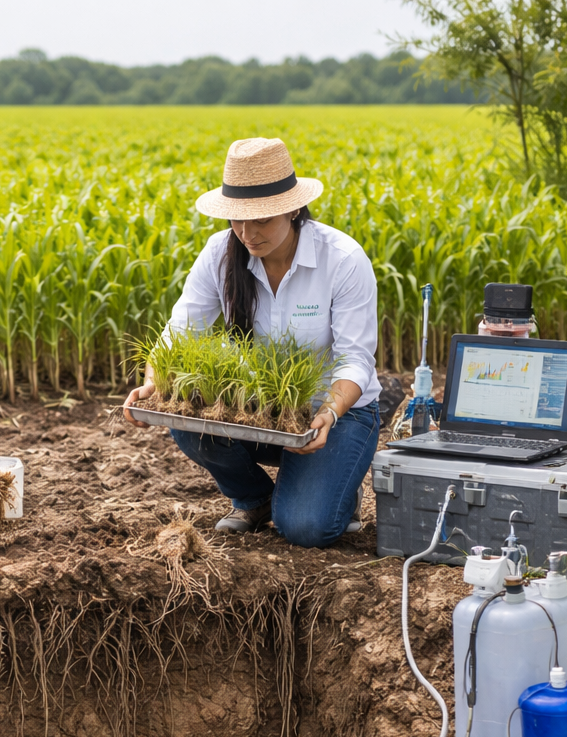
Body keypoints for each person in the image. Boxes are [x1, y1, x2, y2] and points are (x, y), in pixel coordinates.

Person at [122, 137, 382, 547]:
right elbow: (178, 332)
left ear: (293, 208)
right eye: (238, 219)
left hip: (336, 416)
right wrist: (154, 382)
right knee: (185, 416)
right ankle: (254, 498)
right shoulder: (221, 255)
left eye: (261, 219)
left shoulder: (343, 260)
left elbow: (355, 361)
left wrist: (330, 413)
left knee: (305, 528)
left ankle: (336, 486)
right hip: (257, 409)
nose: (247, 232)